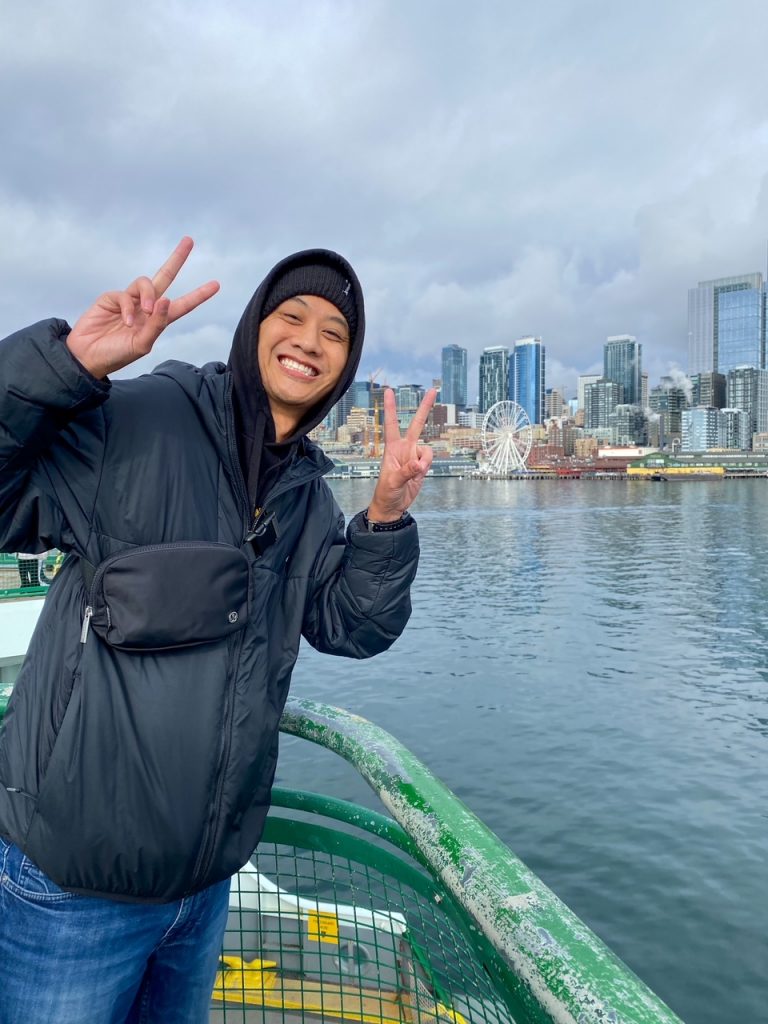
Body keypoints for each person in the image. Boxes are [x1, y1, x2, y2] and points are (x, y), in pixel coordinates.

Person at [0, 238, 435, 1023]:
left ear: (345, 367)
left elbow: (352, 625)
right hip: (71, 890)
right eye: (292, 315)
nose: (309, 340)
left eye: (335, 334)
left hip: (203, 892)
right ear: (253, 326)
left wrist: (385, 519)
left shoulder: (305, 493)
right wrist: (66, 364)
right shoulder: (140, 420)